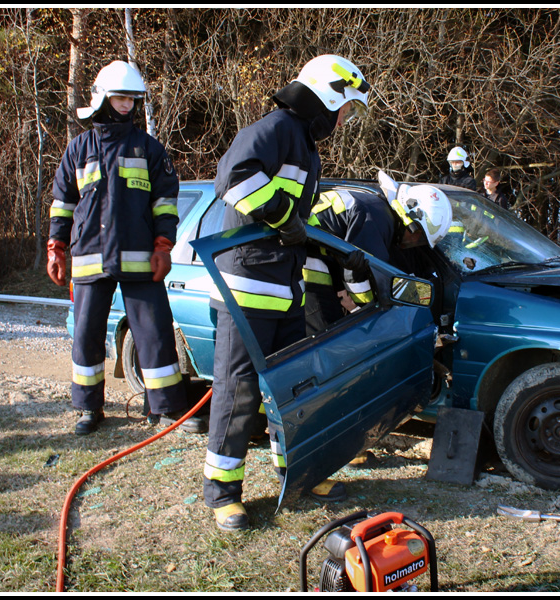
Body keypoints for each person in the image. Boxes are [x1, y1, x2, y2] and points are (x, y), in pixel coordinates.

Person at [204, 54, 371, 532]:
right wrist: (284, 217)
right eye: (346, 108)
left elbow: (304, 221)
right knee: (238, 393)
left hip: (286, 290)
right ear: (327, 95)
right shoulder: (276, 128)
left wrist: (339, 251)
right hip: (247, 289)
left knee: (292, 391)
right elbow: (233, 177)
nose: (344, 121)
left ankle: (299, 471)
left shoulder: (307, 150)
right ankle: (223, 494)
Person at [48, 60, 203, 436]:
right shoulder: (78, 149)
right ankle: (88, 409)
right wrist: (57, 244)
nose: (126, 105)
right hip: (88, 258)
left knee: (153, 333)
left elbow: (166, 201)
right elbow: (62, 202)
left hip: (139, 258)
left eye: (132, 99)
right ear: (102, 98)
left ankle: (165, 409)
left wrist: (164, 244)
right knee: (86, 335)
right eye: (120, 98)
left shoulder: (148, 149)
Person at [304, 176, 453, 331]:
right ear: (411, 221)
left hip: (308, 246)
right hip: (305, 251)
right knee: (325, 334)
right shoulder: (377, 220)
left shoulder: (379, 211)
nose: (415, 242)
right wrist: (372, 309)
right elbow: (355, 276)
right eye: (420, 236)